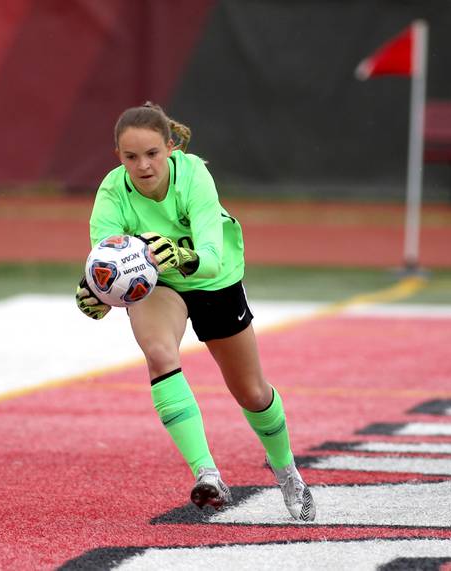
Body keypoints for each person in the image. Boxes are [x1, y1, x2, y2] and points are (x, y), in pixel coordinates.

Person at [75, 102, 316, 522]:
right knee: (160, 355)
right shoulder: (113, 190)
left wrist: (181, 255)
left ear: (170, 147)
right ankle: (207, 474)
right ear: (119, 157)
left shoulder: (194, 176)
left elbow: (211, 257)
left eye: (152, 153)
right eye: (131, 157)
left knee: (252, 393)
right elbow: (106, 262)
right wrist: (97, 296)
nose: (143, 165)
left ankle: (287, 472)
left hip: (211, 279)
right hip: (158, 283)